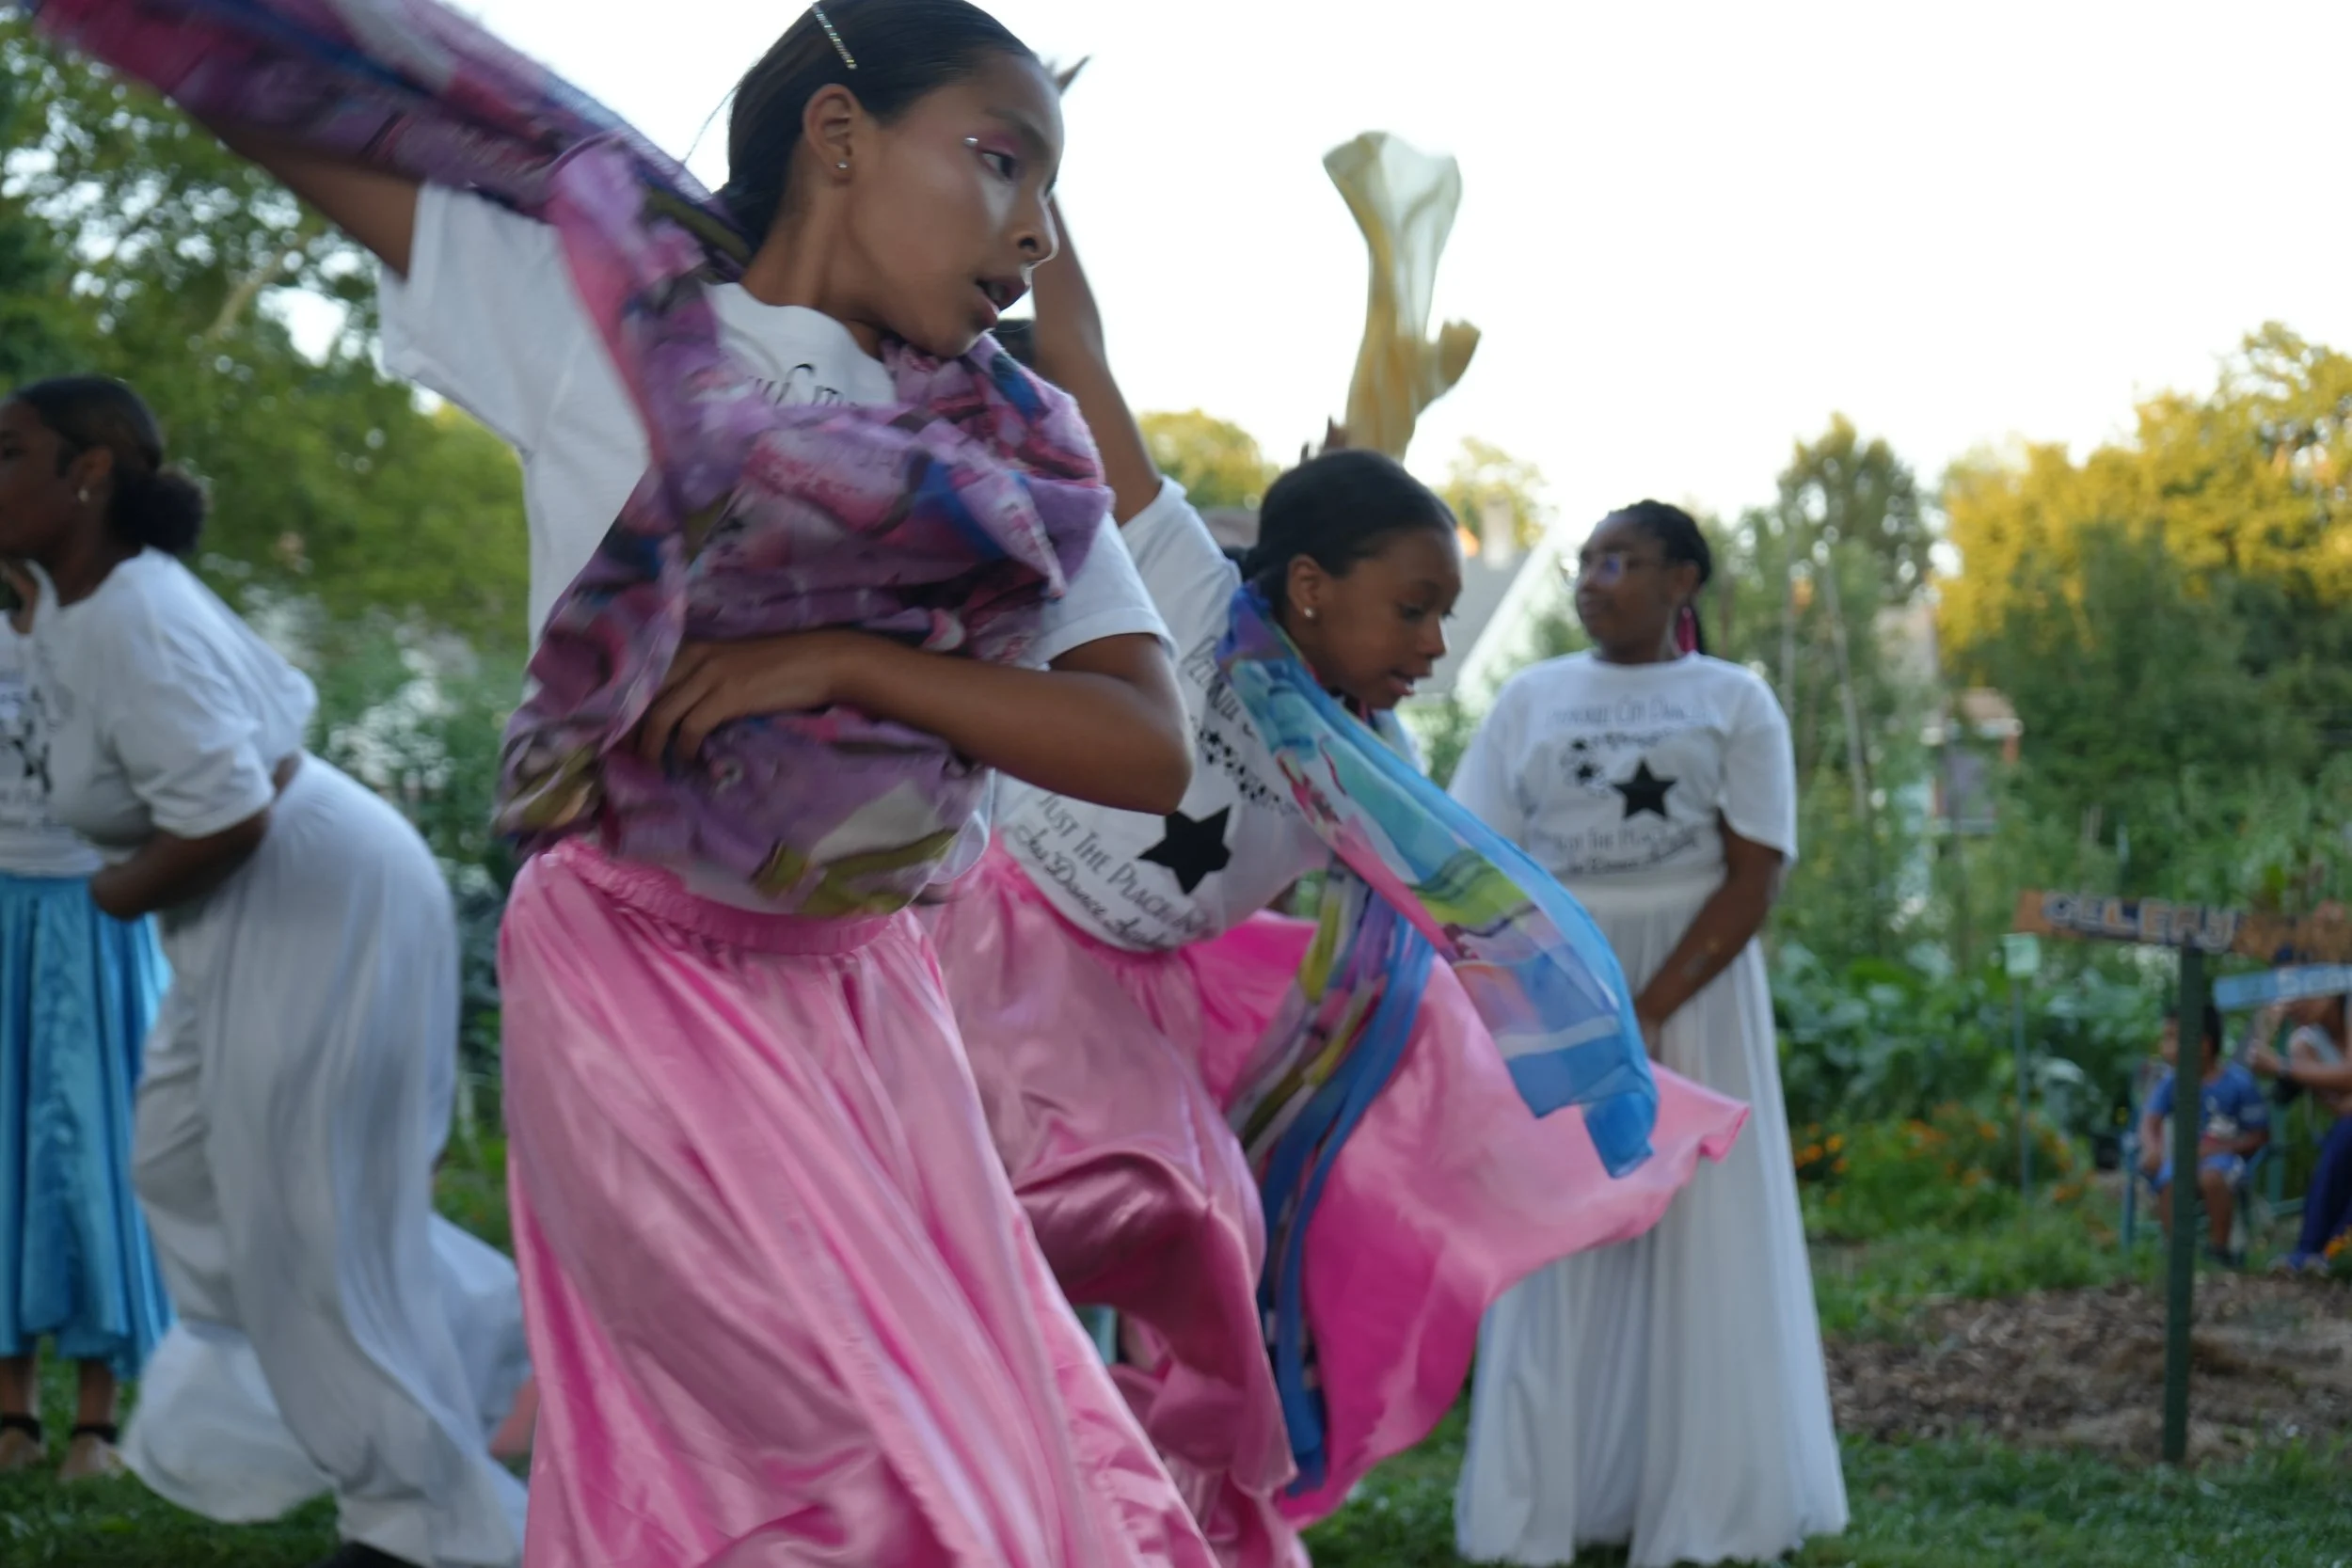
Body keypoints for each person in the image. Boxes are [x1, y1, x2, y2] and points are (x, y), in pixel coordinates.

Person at [56, 0, 1223, 1560]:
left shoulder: (1013, 446)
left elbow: (1146, 748)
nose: (1035, 237)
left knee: (985, 1446)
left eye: (1050, 193)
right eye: (1002, 164)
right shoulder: (603, 314)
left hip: (872, 1001)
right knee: (825, 1439)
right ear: (837, 134)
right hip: (634, 968)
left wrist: (848, 661)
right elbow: (285, 88)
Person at [930, 220, 1747, 1566]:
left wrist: (1581, 1055)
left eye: (1444, 612)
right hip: (997, 940)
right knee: (1053, 1215)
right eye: (1415, 611)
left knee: (1208, 1237)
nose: (1437, 644)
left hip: (1137, 996)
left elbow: (1470, 921)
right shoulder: (1184, 577)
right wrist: (1035, 198)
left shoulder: (1368, 771)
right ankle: (996, 1461)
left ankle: (1135, 1501)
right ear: (1307, 589)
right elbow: (1075, 357)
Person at [0, 377, 529, 1568]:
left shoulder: (131, 613)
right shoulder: (87, 605)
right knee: (182, 1164)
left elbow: (228, 812)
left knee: (305, 1216)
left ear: (87, 475)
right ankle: (435, 1363)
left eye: (7, 453)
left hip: (311, 895)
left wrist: (102, 892)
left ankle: (417, 1517)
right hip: (264, 908)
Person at [1450, 501, 1849, 1567]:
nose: (1590, 577)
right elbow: (1472, 857)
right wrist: (1547, 1004)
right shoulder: (1527, 697)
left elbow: (1753, 874)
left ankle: (1703, 1506)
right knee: (1556, 1238)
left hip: (1694, 993)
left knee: (1698, 1237)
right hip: (1558, 991)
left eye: (1618, 559)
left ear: (1683, 579)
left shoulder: (1736, 699)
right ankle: (1540, 1508)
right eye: (1584, 559)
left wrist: (1655, 1005)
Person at [0, 618, 171, 1483]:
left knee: (101, 1152)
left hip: (96, 912)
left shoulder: (118, 626)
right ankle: (13, 1412)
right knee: (4, 1157)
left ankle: (94, 1426)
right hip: (2, 911)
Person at [2137, 1004, 2269, 1265]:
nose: (2166, 1045)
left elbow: (2260, 1136)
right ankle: (2178, 1252)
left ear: (2204, 1045)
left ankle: (2218, 1250)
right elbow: (2149, 1121)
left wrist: (2219, 1150)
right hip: (2184, 1161)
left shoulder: (2239, 1084)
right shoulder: (2171, 1083)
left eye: (2174, 1037)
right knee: (2169, 1180)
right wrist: (2152, 1149)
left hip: (2225, 1161)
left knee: (2212, 1177)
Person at [2248, 993, 2352, 1273]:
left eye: (2304, 991)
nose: (2295, 1004)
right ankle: (2320, 1253)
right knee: (2345, 1132)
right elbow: (2341, 1106)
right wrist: (2268, 1027)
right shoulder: (2303, 1045)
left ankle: (2322, 1250)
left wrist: (2282, 1066)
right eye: (2287, 999)